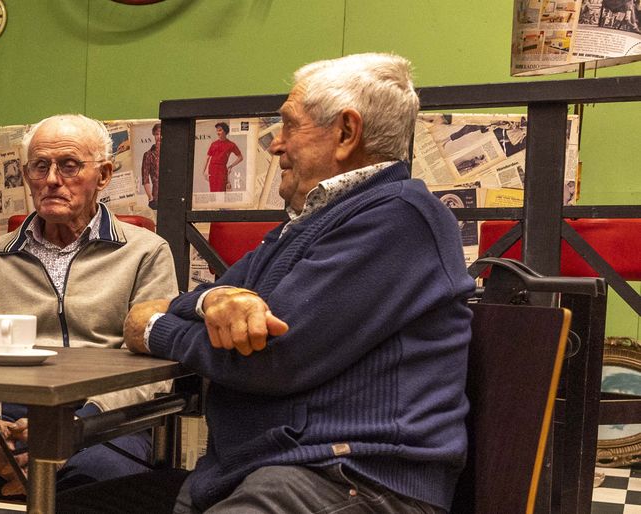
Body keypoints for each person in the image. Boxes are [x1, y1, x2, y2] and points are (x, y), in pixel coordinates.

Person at [113, 53, 473, 513]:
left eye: (288, 125)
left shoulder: (399, 218)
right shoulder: (308, 223)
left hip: (357, 479)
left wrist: (154, 329)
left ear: (346, 133)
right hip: (269, 469)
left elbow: (272, 359)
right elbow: (201, 301)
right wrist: (215, 300)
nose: (275, 144)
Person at [0, 114, 177, 514]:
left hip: (103, 418)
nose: (52, 179)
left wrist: (78, 427)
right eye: (40, 166)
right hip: (5, 417)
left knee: (91, 491)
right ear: (26, 175)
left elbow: (156, 366)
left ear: (103, 175)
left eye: (69, 165)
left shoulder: (146, 253)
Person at [203, 122, 242, 192]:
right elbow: (207, 158)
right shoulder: (213, 144)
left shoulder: (231, 144)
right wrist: (204, 171)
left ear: (225, 131)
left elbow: (240, 157)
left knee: (221, 191)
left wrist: (231, 166)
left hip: (222, 170)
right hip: (212, 169)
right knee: (213, 191)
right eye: (217, 131)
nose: (218, 132)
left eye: (220, 130)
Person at [141, 123, 161, 208]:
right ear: (154, 135)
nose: (159, 136)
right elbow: (145, 178)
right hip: (157, 198)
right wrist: (150, 197)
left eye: (161, 134)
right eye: (156, 134)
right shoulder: (148, 155)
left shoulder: (172, 153)